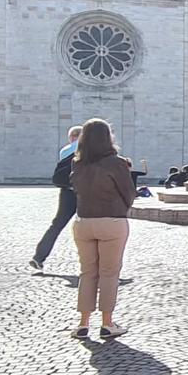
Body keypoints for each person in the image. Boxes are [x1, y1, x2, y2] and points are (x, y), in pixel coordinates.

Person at [69, 118, 136, 340]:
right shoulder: (116, 163)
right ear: (108, 138)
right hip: (112, 221)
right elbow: (129, 193)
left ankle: (82, 323)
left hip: (83, 222)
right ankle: (107, 323)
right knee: (109, 273)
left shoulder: (78, 163)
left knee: (87, 272)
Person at [30, 125, 83, 271]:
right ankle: (93, 263)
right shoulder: (88, 148)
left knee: (57, 224)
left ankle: (39, 256)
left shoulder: (64, 151)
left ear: (71, 137)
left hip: (67, 192)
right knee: (89, 226)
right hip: (85, 192)